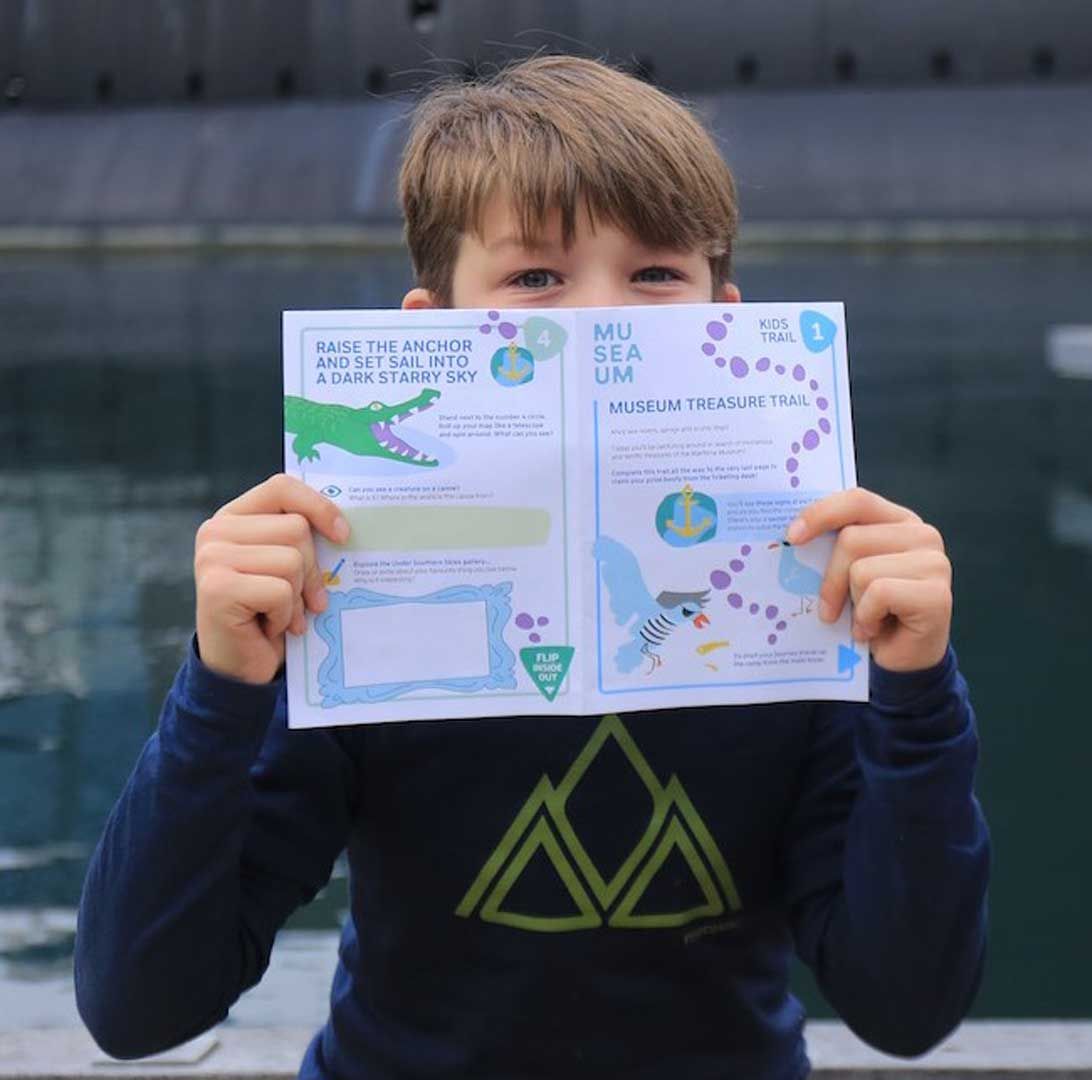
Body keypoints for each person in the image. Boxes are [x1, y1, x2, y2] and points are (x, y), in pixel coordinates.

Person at [75, 56, 988, 1078]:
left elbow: (906, 1007)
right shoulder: (343, 601)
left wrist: (915, 692)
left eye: (655, 274)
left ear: (728, 321)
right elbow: (140, 1006)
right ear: (432, 334)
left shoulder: (809, 605)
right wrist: (219, 685)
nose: (600, 319)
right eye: (534, 278)